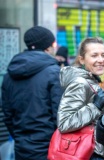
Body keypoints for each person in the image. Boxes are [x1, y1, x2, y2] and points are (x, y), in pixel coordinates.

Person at [1, 26, 63, 160]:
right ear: (47, 48)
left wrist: (20, 137)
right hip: (48, 147)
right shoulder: (53, 72)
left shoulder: (9, 75)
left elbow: (7, 114)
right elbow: (59, 114)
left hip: (21, 146)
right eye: (53, 44)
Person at [57, 37, 104, 160]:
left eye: (103, 55)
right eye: (94, 55)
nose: (101, 60)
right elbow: (64, 123)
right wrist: (95, 107)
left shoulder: (91, 81)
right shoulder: (80, 83)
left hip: (93, 151)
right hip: (88, 153)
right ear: (82, 59)